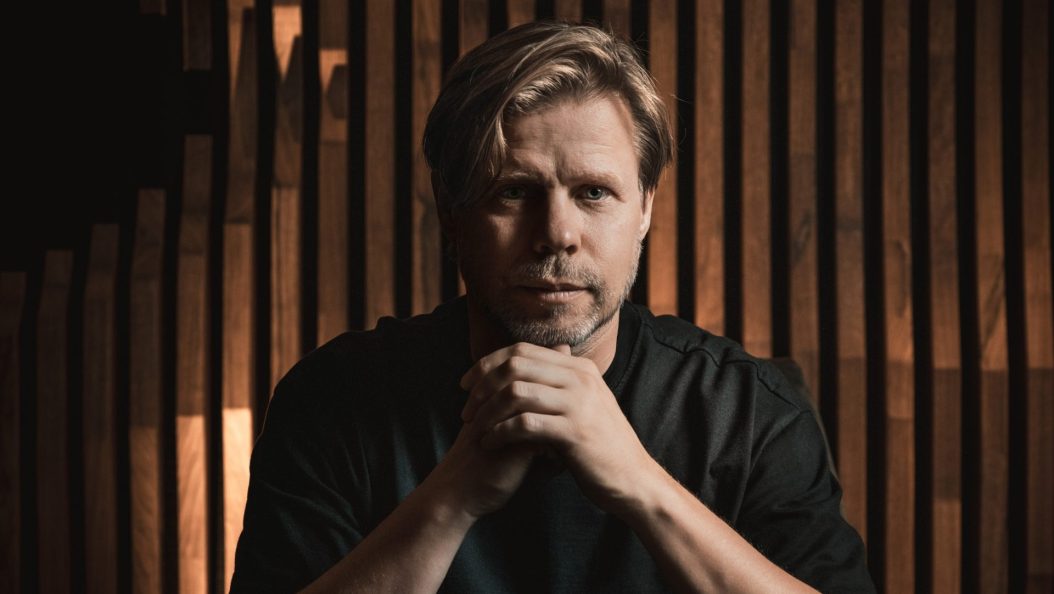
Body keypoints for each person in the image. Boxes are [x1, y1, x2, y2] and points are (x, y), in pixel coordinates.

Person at [231, 21, 874, 593]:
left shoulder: (749, 413)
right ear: (451, 209)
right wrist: (453, 500)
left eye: (593, 192)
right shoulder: (334, 399)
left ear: (645, 208)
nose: (557, 233)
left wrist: (639, 483)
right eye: (514, 191)